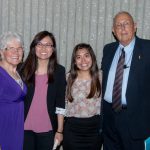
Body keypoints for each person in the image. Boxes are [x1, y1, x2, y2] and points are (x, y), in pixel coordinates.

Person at [101, 11, 150, 150]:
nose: (122, 28)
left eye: (126, 23)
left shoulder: (147, 49)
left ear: (135, 26)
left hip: (136, 119)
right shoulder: (108, 49)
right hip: (109, 117)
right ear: (113, 31)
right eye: (118, 25)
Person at [20, 31, 66, 150]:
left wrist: (60, 131)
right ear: (34, 47)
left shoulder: (59, 71)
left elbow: (61, 103)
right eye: (39, 44)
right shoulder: (22, 69)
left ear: (53, 49)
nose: (43, 48)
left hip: (48, 129)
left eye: (48, 45)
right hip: (23, 127)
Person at [63, 43, 102, 150]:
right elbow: (60, 106)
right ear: (74, 61)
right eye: (78, 57)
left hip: (94, 131)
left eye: (86, 56)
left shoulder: (101, 76)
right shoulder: (68, 78)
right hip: (72, 130)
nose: (83, 61)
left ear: (92, 58)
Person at [0, 32, 27, 150]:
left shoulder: (17, 73)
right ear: (2, 52)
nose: (16, 52)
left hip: (16, 129)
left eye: (19, 48)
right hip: (3, 130)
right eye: (11, 48)